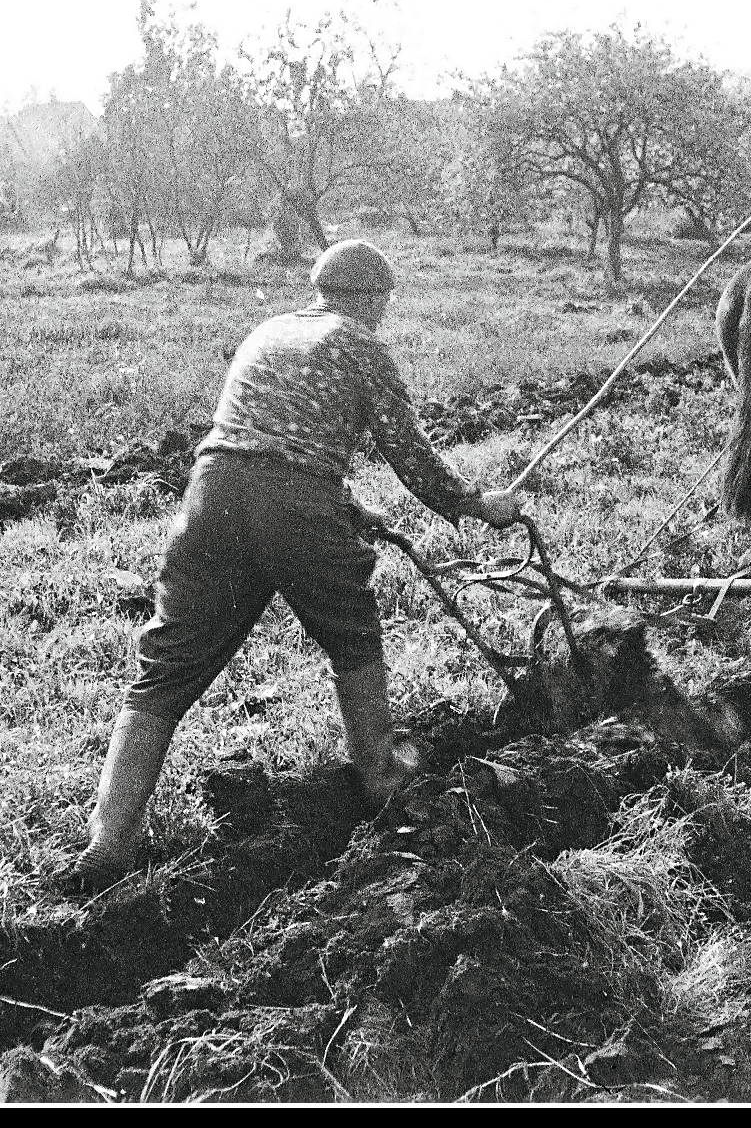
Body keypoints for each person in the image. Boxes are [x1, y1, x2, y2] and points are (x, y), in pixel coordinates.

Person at [65, 239, 523, 890]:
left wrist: (347, 503)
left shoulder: (270, 331)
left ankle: (110, 836)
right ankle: (379, 774)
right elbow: (411, 455)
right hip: (295, 504)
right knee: (352, 633)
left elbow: (261, 443)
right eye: (384, 302)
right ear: (373, 298)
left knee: (166, 668)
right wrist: (478, 504)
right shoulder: (361, 344)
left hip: (212, 495)